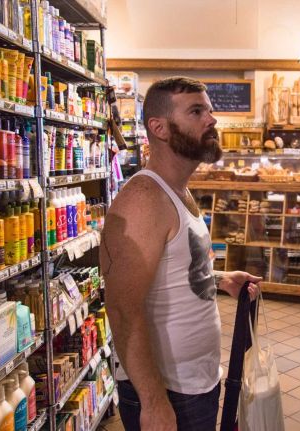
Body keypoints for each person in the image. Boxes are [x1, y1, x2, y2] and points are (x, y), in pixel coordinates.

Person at [99, 76, 262, 431]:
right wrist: (153, 401)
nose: (212, 119)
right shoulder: (143, 199)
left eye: (210, 109)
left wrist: (219, 280)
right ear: (159, 127)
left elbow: (170, 270)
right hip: (169, 392)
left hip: (195, 382)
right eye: (196, 111)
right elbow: (122, 309)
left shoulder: (179, 191)